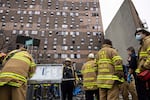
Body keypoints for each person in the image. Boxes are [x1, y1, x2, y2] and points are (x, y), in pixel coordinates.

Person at [135, 27, 150, 100]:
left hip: (146, 72)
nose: (137, 36)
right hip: (142, 73)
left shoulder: (148, 41)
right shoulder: (142, 44)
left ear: (144, 33)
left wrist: (145, 66)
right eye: (136, 34)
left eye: (139, 34)